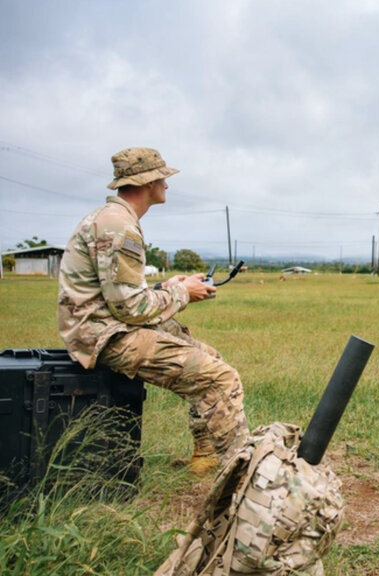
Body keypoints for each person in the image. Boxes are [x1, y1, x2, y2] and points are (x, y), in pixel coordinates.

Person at [57, 147, 249, 476]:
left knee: (210, 359)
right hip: (108, 336)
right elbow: (131, 308)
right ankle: (244, 474)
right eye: (162, 178)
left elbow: (120, 294)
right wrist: (183, 293)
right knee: (220, 378)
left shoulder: (111, 219)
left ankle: (205, 454)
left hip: (107, 326)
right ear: (146, 183)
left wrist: (167, 287)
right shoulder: (119, 227)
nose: (166, 185)